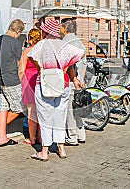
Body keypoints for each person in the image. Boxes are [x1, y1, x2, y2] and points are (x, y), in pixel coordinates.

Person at [28, 18, 84, 161]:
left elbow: (30, 56)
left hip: (45, 83)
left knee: (45, 118)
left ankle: (44, 152)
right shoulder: (65, 45)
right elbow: (80, 54)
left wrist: (40, 67)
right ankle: (61, 148)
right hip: (62, 84)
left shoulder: (41, 45)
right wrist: (67, 68)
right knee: (60, 117)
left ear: (46, 31)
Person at [0, 19, 25, 147]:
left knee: (3, 108)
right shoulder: (16, 43)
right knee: (20, 108)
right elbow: (20, 64)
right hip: (11, 80)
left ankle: (2, 138)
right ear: (17, 32)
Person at [60, 18, 87, 146]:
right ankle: (81, 134)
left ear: (65, 28)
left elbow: (69, 64)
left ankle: (71, 137)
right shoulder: (78, 41)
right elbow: (84, 63)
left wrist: (75, 79)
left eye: (60, 27)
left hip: (71, 81)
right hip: (79, 81)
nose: (59, 30)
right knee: (78, 108)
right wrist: (82, 79)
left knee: (69, 111)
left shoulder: (66, 42)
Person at [19, 28, 42, 145]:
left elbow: (21, 70)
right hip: (40, 80)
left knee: (31, 111)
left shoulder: (27, 51)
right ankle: (41, 137)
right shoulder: (42, 50)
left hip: (28, 81)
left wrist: (20, 82)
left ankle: (32, 138)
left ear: (29, 38)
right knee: (41, 111)